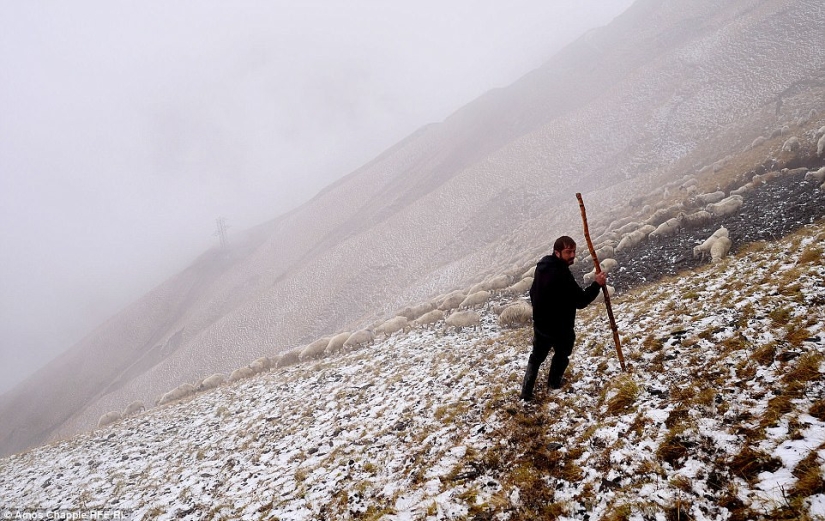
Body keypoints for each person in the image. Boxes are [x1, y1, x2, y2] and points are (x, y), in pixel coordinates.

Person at [520, 235, 607, 401]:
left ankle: (526, 392)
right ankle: (553, 383)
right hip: (560, 327)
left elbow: (533, 291)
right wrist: (597, 284)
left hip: (541, 324)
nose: (573, 255)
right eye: (568, 252)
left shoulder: (543, 266)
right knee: (562, 354)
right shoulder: (561, 274)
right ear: (557, 252)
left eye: (574, 251)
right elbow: (580, 301)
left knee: (536, 357)